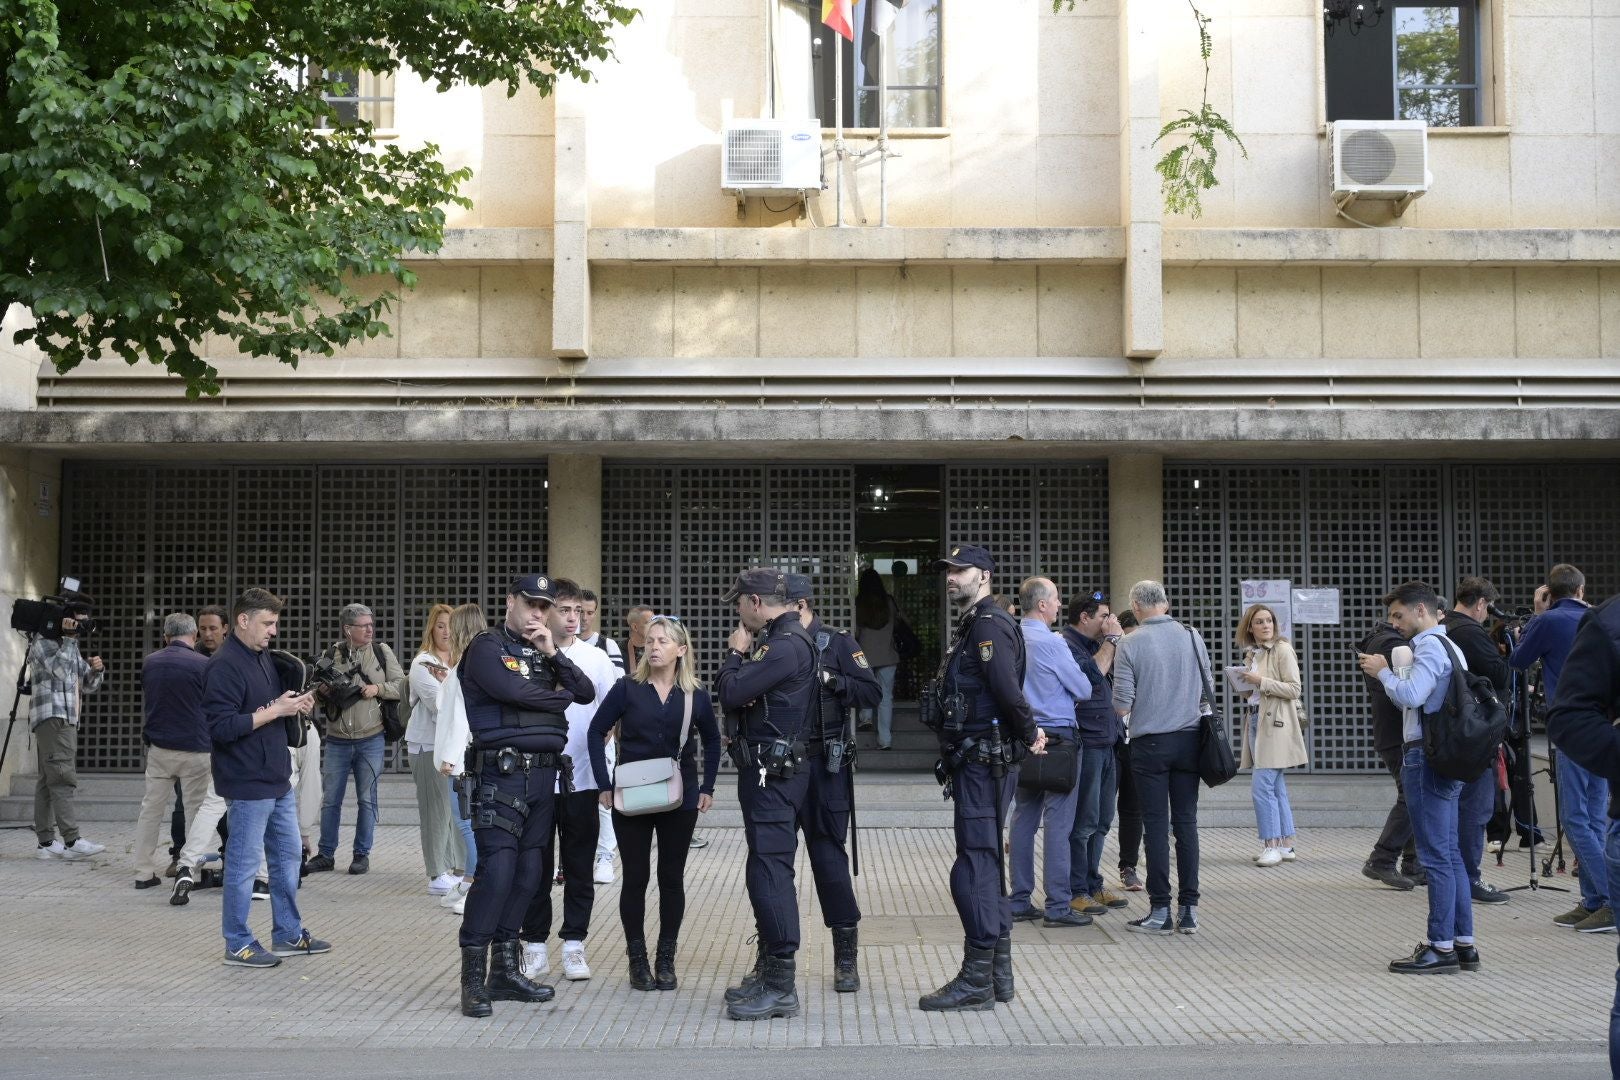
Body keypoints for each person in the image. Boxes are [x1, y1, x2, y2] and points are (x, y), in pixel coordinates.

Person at [455, 575, 595, 1018]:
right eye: (530, 604)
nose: (538, 613)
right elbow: (513, 691)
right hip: (502, 776)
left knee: (531, 874)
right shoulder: (486, 647)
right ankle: (473, 982)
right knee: (496, 873)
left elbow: (586, 693)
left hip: (544, 780)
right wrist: (556, 700)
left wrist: (554, 653)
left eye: (544, 606)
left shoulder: (544, 650)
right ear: (510, 601)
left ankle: (505, 972)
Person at [920, 544, 1045, 1013]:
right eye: (948, 571)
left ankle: (977, 980)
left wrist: (1030, 732)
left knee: (973, 866)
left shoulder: (989, 626)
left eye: (960, 570)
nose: (951, 577)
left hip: (983, 762)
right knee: (985, 864)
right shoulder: (975, 624)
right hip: (977, 761)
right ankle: (998, 976)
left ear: (985, 576)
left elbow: (1006, 690)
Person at [589, 615, 720, 991]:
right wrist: (603, 783)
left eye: (663, 641)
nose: (654, 646)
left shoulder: (694, 693)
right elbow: (597, 730)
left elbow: (712, 740)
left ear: (681, 650)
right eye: (651, 640)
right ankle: (638, 959)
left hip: (680, 797)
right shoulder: (627, 688)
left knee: (671, 878)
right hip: (631, 795)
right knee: (635, 877)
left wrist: (708, 785)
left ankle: (666, 957)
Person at [202, 588, 329, 968]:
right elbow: (221, 727)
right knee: (242, 866)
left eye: (275, 623)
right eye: (267, 623)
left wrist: (295, 705)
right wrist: (276, 710)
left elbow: (273, 705)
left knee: (289, 858)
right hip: (245, 779)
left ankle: (287, 933)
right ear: (243, 620)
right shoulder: (223, 665)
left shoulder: (261, 658)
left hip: (275, 776)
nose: (273, 631)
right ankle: (237, 943)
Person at [714, 568, 817, 1022]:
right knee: (763, 868)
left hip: (773, 775)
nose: (737, 611)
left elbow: (732, 692)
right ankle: (769, 971)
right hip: (769, 771)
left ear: (756, 603)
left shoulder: (783, 645)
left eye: (739, 602)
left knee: (771, 872)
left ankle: (781, 985)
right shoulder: (781, 642)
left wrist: (736, 657)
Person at [1359, 580, 1477, 974]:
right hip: (1446, 757)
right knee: (1452, 854)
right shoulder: (1451, 646)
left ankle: (1440, 947)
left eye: (1399, 615)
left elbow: (1412, 697)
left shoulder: (1427, 645)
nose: (1394, 624)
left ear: (1421, 611)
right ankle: (1464, 944)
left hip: (1424, 757)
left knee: (1436, 857)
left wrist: (1383, 673)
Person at [519, 579, 620, 984]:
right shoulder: (527, 653)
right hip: (537, 779)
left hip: (580, 778)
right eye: (564, 610)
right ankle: (535, 945)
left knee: (579, 865)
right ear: (546, 612)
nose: (573, 618)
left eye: (578, 610)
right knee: (536, 865)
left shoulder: (594, 659)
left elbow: (611, 711)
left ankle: (575, 944)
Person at [785, 575, 882, 991]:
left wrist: (835, 683)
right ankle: (773, 953)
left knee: (829, 863)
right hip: (783, 770)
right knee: (772, 865)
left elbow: (871, 692)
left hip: (826, 768)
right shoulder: (773, 645)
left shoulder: (836, 642)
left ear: (800, 605)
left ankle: (846, 956)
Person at [1542, 594, 1620, 1077]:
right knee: (1580, 821)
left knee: (1583, 820)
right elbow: (1568, 718)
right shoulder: (1609, 621)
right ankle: (1598, 897)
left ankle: (1597, 897)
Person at [1512, 565, 1610, 933]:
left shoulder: (1548, 620)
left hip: (1571, 725)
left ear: (1549, 593)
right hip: (1605, 725)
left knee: (1574, 817)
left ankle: (1611, 899)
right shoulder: (1600, 618)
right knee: (1596, 815)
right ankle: (1593, 902)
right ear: (1582, 589)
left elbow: (1517, 661)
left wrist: (1539, 615)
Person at [1112, 580, 1209, 936]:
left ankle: (1159, 910)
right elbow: (1205, 689)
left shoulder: (1129, 642)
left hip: (1150, 744)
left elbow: (1122, 702)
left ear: (1135, 606)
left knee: (1154, 825)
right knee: (1186, 824)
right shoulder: (1192, 636)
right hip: (1190, 740)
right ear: (1165, 605)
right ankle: (1189, 910)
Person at [1008, 577, 1092, 929]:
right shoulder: (1052, 643)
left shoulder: (1010, 637)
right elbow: (1083, 689)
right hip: (1058, 736)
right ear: (1041, 604)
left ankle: (1019, 899)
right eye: (1056, 599)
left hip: (1024, 734)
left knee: (1023, 816)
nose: (1059, 605)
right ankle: (1057, 905)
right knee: (1059, 821)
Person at [307, 603, 405, 876]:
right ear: (348, 629)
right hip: (337, 740)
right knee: (331, 801)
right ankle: (325, 854)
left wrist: (377, 688)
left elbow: (402, 685)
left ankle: (361, 855)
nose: (370, 629)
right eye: (363, 625)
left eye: (371, 624)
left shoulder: (381, 652)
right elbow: (313, 694)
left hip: (370, 739)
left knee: (367, 799)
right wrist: (323, 691)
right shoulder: (331, 655)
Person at [1441, 578, 1512, 905]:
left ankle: (1449, 874)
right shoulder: (1469, 632)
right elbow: (1501, 674)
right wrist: (1511, 650)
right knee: (1476, 808)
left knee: (1455, 807)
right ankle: (1469, 877)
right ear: (1481, 603)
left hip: (1451, 732)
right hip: (1476, 733)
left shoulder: (1445, 628)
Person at [1059, 592, 1129, 913]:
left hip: (1108, 740)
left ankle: (1093, 883)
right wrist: (1112, 640)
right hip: (1086, 743)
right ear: (1084, 617)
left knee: (1102, 820)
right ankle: (1077, 889)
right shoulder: (1067, 644)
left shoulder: (1096, 644)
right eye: (1103, 616)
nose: (1108, 622)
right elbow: (1089, 677)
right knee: (1084, 822)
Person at [132, 613, 212, 889]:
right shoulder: (204, 664)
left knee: (150, 810)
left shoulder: (150, 662)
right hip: (196, 748)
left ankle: (142, 872)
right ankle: (191, 871)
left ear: (165, 636)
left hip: (159, 747)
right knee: (195, 813)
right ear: (195, 636)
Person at [28, 592, 106, 861]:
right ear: (65, 621)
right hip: (54, 718)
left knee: (46, 782)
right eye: (77, 622)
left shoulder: (67, 645)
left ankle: (46, 842)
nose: (80, 627)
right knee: (61, 778)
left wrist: (97, 670)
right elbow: (60, 672)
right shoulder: (44, 644)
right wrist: (70, 641)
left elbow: (87, 684)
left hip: (66, 718)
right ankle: (72, 841)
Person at [1232, 605, 1307, 867]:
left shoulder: (1282, 649)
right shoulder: (1252, 652)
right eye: (1259, 622)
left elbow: (1294, 688)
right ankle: (1286, 844)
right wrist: (1243, 682)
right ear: (1250, 627)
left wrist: (1260, 681)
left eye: (1269, 621)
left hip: (1275, 724)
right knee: (1275, 787)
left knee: (1261, 786)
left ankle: (1271, 845)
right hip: (1256, 719)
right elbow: (1254, 690)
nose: (1266, 625)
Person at [407, 604, 472, 899]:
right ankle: (436, 872)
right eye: (441, 625)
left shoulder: (461, 661)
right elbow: (441, 704)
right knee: (436, 810)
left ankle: (458, 868)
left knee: (457, 811)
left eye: (450, 626)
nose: (446, 632)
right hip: (429, 745)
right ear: (431, 629)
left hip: (458, 747)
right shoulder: (423, 664)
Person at [1360, 615, 1422, 890]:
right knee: (1411, 796)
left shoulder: (1382, 639)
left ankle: (1413, 863)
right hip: (1400, 733)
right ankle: (1382, 858)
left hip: (1392, 733)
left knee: (1411, 795)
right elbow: (1407, 690)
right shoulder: (1394, 644)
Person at [433, 603, 488, 916]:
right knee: (467, 825)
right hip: (465, 759)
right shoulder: (469, 667)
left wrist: (450, 758)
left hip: (463, 762)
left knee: (467, 826)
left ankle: (477, 884)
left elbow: (462, 719)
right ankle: (469, 879)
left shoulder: (466, 669)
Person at [579, 588, 623, 881]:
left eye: (588, 612)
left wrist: (610, 728)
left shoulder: (607, 647)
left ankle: (605, 855)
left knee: (603, 795)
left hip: (600, 736)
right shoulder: (553, 645)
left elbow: (618, 694)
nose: (582, 618)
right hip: (565, 738)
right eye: (576, 611)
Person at [854, 567, 901, 750]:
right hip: (888, 655)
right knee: (886, 698)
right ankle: (885, 740)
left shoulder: (859, 603)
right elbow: (899, 622)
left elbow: (856, 631)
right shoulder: (889, 601)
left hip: (864, 655)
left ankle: (865, 718)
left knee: (866, 688)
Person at [1113, 610, 1144, 891]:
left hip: (1137, 741)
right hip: (1109, 742)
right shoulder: (1110, 660)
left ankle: (1128, 866)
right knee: (1095, 812)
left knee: (1132, 809)